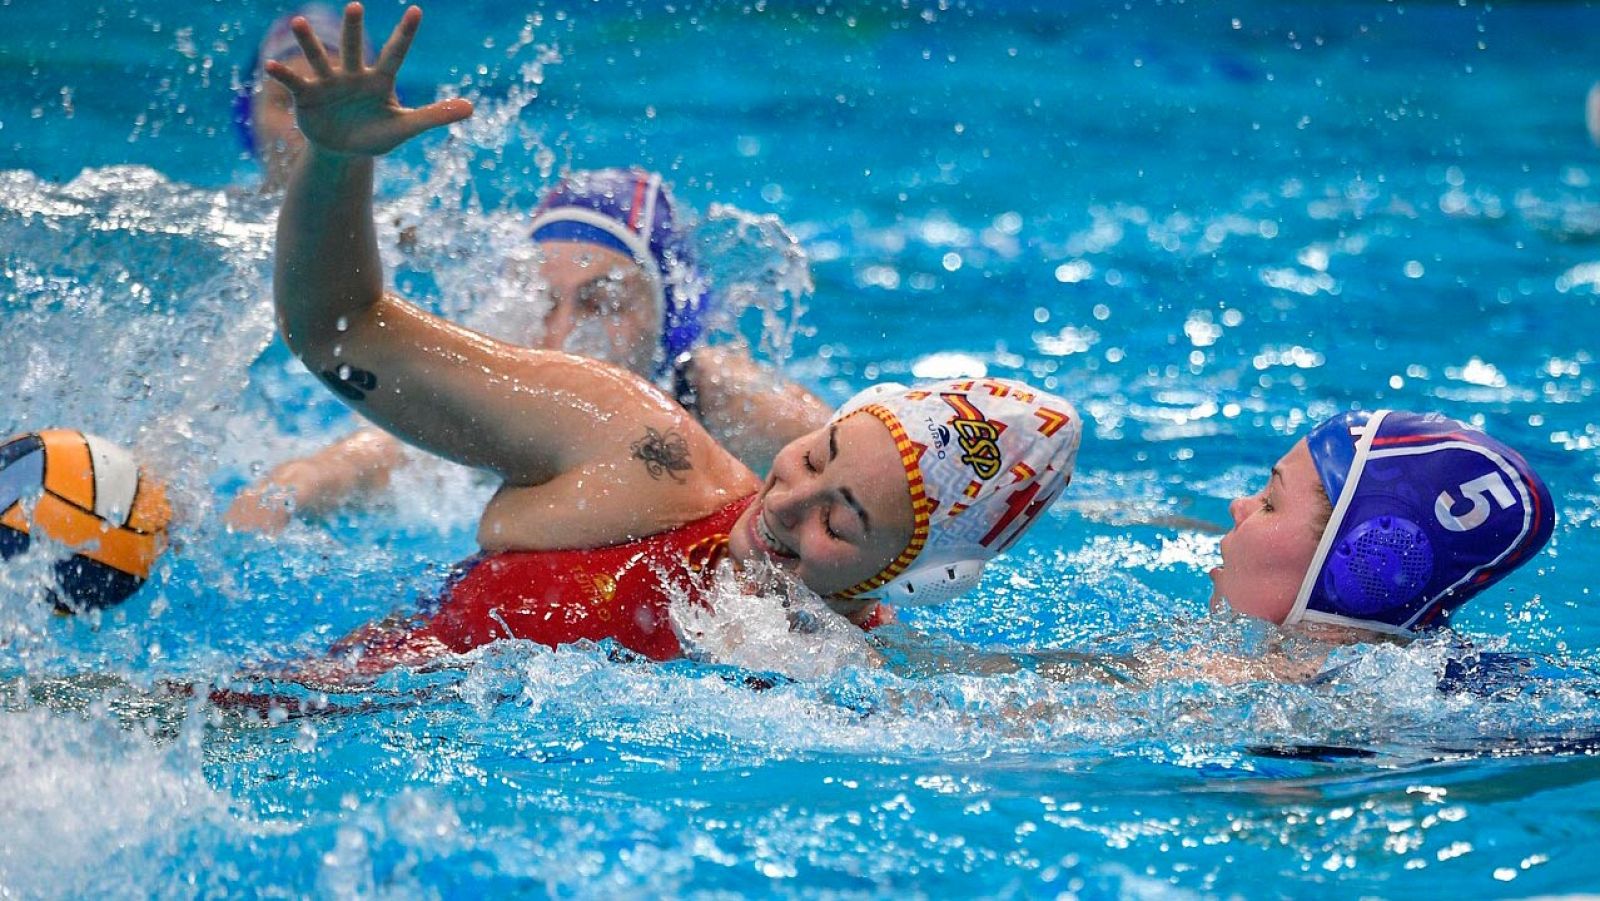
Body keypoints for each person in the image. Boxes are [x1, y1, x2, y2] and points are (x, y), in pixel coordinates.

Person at [260, 3, 1084, 674]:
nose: (787, 501)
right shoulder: (634, 440)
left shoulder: (858, 673)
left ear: (913, 576)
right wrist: (334, 165)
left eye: (845, 520)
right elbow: (345, 331)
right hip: (290, 710)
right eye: (816, 454)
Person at [227, 16, 831, 533]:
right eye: (545, 300)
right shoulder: (517, 392)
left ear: (673, 316)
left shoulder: (727, 399)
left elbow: (869, 463)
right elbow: (353, 460)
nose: (563, 331)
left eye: (602, 303)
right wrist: (280, 498)